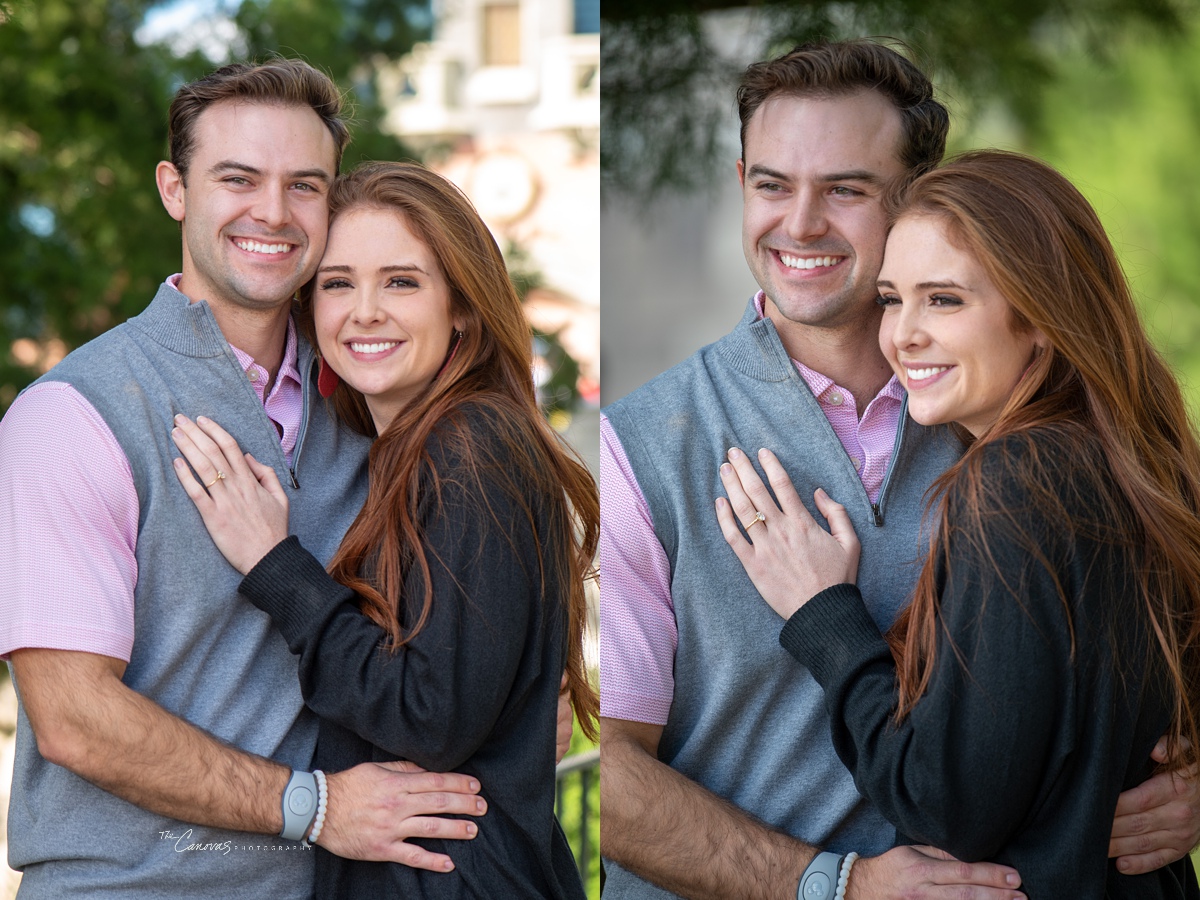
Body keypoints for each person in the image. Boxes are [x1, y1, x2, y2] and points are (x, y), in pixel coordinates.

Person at [599, 40, 1200, 900]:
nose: (800, 223)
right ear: (741, 187)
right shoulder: (642, 444)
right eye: (772, 184)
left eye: (844, 189)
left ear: (920, 199)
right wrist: (827, 884)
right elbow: (603, 773)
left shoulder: (1008, 426)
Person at [0, 60, 491, 898]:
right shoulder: (72, 415)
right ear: (174, 189)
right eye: (238, 178)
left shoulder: (365, 398)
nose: (272, 211)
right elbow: (75, 719)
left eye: (305, 186)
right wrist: (314, 806)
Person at [166, 160, 598, 898]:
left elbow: (432, 717)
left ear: (461, 305)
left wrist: (276, 565)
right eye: (338, 284)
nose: (364, 311)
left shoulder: (469, 447)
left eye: (401, 281)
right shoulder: (406, 450)